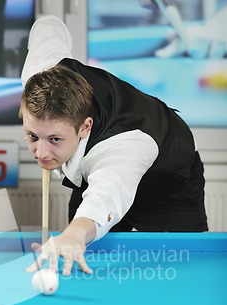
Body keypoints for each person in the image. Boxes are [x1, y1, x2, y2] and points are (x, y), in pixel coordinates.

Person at [20, 16, 208, 277]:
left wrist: (74, 233)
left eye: (54, 139)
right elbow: (47, 26)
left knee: (179, 268)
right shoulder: (40, 75)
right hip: (103, 168)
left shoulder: (123, 148)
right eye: (32, 136)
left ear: (84, 127)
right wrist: (73, 238)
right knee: (77, 255)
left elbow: (105, 196)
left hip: (167, 178)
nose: (40, 153)